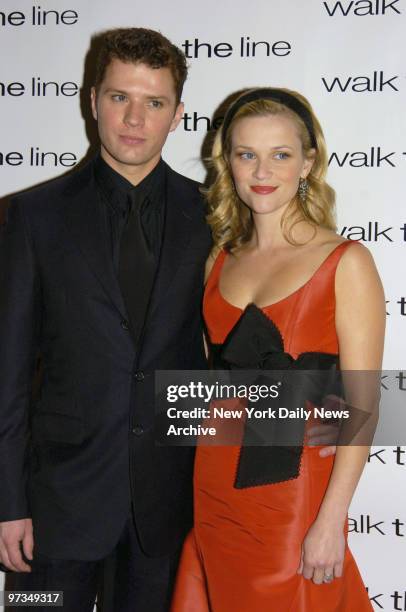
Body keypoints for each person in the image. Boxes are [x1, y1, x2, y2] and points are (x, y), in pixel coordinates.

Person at [0, 28, 211, 611]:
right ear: (93, 100)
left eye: (155, 102)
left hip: (169, 512)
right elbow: (9, 373)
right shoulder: (33, 216)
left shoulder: (213, 216)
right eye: (120, 97)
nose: (135, 118)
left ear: (178, 115)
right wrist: (7, 502)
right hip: (53, 510)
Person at [171, 88, 385, 611]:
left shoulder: (345, 261)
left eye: (281, 155)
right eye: (246, 154)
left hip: (293, 491)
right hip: (215, 480)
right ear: (228, 163)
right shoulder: (221, 259)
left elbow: (363, 406)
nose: (262, 171)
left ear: (308, 162)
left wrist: (331, 521)